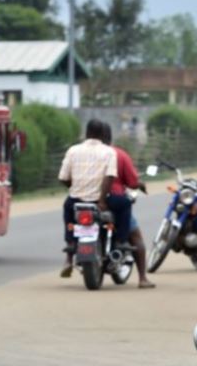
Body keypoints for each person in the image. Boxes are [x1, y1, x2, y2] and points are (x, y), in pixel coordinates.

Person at [57, 119, 122, 278]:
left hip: (76, 200)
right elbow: (110, 177)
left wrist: (75, 187)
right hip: (97, 201)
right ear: (102, 134)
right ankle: (116, 246)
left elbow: (63, 177)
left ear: (86, 133)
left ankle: (70, 250)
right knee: (112, 220)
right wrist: (101, 200)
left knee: (70, 220)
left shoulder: (73, 150)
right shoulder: (108, 152)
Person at [100, 123, 155, 289]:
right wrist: (140, 184)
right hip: (113, 199)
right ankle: (142, 278)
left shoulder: (81, 152)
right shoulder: (118, 154)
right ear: (109, 137)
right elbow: (132, 181)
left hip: (85, 199)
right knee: (135, 235)